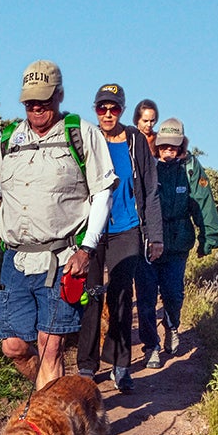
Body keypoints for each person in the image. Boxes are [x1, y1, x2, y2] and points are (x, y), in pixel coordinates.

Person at [0, 60, 116, 390]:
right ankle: (58, 398)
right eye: (30, 101)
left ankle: (47, 426)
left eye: (44, 99)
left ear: (59, 95)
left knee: (49, 346)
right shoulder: (10, 137)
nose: (37, 107)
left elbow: (103, 193)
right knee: (13, 347)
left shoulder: (81, 134)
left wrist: (87, 250)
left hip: (60, 259)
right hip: (15, 260)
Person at [75, 83, 163, 390]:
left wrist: (155, 236)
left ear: (123, 111)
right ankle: (87, 365)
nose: (108, 114)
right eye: (102, 108)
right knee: (92, 295)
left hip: (127, 227)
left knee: (123, 295)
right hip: (92, 229)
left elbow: (151, 190)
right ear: (96, 110)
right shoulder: (87, 138)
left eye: (114, 108)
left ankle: (121, 364)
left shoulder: (137, 141)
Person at [139, 117, 218, 369]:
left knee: (173, 294)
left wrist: (209, 236)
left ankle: (172, 326)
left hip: (177, 242)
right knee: (145, 298)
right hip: (147, 241)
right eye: (164, 146)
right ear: (157, 145)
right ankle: (150, 346)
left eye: (173, 147)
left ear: (181, 145)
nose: (168, 151)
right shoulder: (147, 164)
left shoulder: (190, 167)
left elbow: (202, 201)